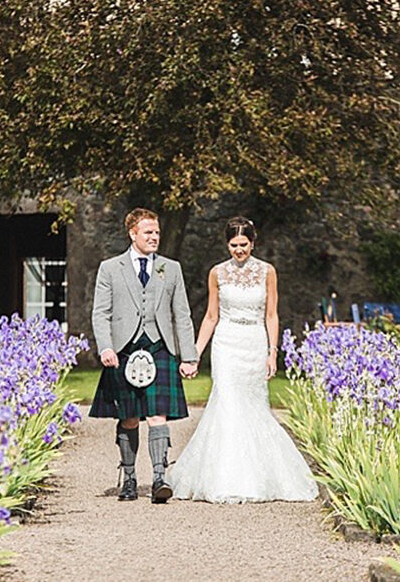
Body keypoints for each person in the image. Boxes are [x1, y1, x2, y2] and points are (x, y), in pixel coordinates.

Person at [167, 217, 318, 503]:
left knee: (254, 407)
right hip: (226, 343)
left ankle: (260, 476)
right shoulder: (217, 273)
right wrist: (194, 353)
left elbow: (271, 315)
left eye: (244, 245)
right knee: (226, 404)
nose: (239, 251)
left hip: (254, 342)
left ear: (253, 242)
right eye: (234, 245)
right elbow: (211, 316)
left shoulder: (267, 272)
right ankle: (225, 477)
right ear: (227, 244)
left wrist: (273, 352)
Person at [88, 208, 199, 503]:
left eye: (157, 232)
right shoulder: (110, 268)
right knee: (129, 417)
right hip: (124, 349)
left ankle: (160, 478)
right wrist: (106, 346)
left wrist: (189, 356)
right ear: (132, 233)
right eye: (148, 232)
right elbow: (101, 313)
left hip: (159, 346)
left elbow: (182, 315)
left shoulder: (170, 268)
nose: (154, 237)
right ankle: (129, 478)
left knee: (157, 414)